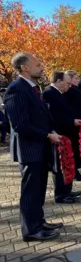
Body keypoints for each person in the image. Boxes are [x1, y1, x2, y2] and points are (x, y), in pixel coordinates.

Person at [4, 52, 63, 241]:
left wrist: (51, 130)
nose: (41, 67)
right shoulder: (16, 89)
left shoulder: (33, 88)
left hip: (40, 147)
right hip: (29, 149)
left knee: (39, 189)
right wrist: (47, 135)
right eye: (37, 64)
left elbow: (40, 116)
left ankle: (39, 221)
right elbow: (20, 124)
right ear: (25, 67)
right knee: (30, 191)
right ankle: (31, 230)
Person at [43, 72, 81, 203]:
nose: (69, 86)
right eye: (67, 83)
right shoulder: (49, 93)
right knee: (60, 165)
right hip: (58, 134)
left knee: (67, 163)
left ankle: (67, 190)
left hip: (65, 132)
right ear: (59, 81)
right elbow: (53, 117)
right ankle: (61, 194)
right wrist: (71, 121)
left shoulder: (58, 93)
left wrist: (72, 120)